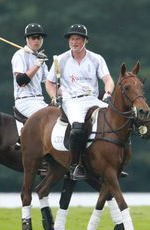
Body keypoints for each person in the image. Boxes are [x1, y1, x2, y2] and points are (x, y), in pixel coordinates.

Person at [46, 24, 115, 180]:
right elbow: (50, 83)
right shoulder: (60, 60)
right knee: (77, 130)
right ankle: (76, 165)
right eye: (72, 39)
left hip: (92, 99)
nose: (74, 42)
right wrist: (54, 95)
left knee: (116, 117)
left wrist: (108, 93)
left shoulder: (96, 58)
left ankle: (116, 160)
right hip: (72, 101)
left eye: (78, 39)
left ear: (85, 40)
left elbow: (108, 79)